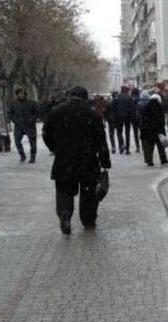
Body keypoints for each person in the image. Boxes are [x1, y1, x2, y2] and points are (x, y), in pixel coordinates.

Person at [42, 86, 111, 234]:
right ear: (85, 97)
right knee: (88, 192)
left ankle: (65, 214)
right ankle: (88, 220)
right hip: (88, 160)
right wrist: (105, 161)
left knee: (64, 190)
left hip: (64, 160)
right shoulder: (92, 114)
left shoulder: (56, 111)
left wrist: (56, 148)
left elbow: (46, 134)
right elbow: (101, 140)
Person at [140, 93, 168, 167]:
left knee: (149, 147)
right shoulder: (160, 107)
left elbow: (143, 120)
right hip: (158, 130)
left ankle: (149, 161)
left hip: (148, 130)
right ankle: (163, 159)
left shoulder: (146, 107)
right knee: (161, 146)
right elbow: (162, 120)